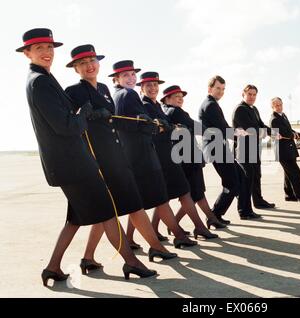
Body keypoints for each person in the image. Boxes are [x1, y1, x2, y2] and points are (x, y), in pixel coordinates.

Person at [18, 29, 156, 285]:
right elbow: (67, 126)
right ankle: (132, 261)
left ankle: (52, 267)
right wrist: (85, 112)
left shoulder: (43, 78)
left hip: (68, 163)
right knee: (106, 211)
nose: (46, 53)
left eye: (49, 47)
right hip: (72, 164)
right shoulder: (39, 81)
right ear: (27, 53)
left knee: (76, 219)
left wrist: (84, 114)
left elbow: (67, 120)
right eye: (39, 49)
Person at [65, 45, 177, 267]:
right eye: (83, 63)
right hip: (98, 159)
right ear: (76, 68)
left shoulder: (105, 89)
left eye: (92, 61)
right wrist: (91, 116)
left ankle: (88, 258)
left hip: (115, 154)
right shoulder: (73, 91)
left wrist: (149, 124)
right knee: (131, 205)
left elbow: (114, 120)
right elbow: (71, 124)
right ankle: (155, 248)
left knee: (108, 211)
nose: (89, 66)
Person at [111, 61, 197, 249]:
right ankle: (176, 236)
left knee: (139, 203)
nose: (130, 78)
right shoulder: (128, 94)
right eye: (125, 75)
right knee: (159, 199)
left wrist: (160, 125)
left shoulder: (119, 96)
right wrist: (157, 125)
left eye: (132, 74)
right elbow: (142, 125)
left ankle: (131, 240)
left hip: (134, 155)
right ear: (116, 79)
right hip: (143, 155)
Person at [137, 76, 218, 240]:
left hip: (171, 156)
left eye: (155, 84)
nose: (153, 88)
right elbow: (187, 127)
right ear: (141, 88)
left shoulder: (158, 106)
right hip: (167, 157)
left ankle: (183, 228)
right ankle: (196, 228)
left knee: (165, 197)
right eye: (148, 85)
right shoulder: (150, 106)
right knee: (184, 193)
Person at [161, 85, 227, 230]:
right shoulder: (176, 112)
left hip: (183, 157)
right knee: (195, 193)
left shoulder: (167, 112)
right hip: (189, 158)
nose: (180, 99)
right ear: (167, 99)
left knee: (192, 194)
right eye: (176, 96)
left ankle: (207, 219)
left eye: (181, 97)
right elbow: (194, 125)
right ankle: (209, 220)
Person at [199, 76, 240, 225]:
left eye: (223, 89)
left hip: (218, 148)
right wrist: (241, 135)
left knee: (235, 179)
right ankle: (214, 215)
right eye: (218, 88)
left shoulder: (212, 104)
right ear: (210, 89)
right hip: (216, 149)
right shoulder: (210, 105)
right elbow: (224, 128)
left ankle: (216, 214)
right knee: (232, 183)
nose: (221, 92)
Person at [269, 97, 300, 204]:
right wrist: (294, 135)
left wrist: (296, 133)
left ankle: (289, 195)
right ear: (272, 107)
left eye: (280, 104)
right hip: (283, 152)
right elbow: (283, 133)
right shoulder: (274, 119)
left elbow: (288, 130)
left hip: (289, 150)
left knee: (288, 173)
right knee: (295, 173)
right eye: (276, 105)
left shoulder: (283, 116)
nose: (279, 107)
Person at [232, 84, 266, 220]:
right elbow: (250, 130)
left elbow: (261, 125)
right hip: (243, 150)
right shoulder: (240, 109)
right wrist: (264, 133)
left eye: (254, 94)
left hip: (254, 149)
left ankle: (258, 202)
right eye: (249, 94)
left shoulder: (254, 109)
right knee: (246, 180)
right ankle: (244, 211)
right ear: (243, 94)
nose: (252, 97)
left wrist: (274, 132)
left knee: (256, 176)